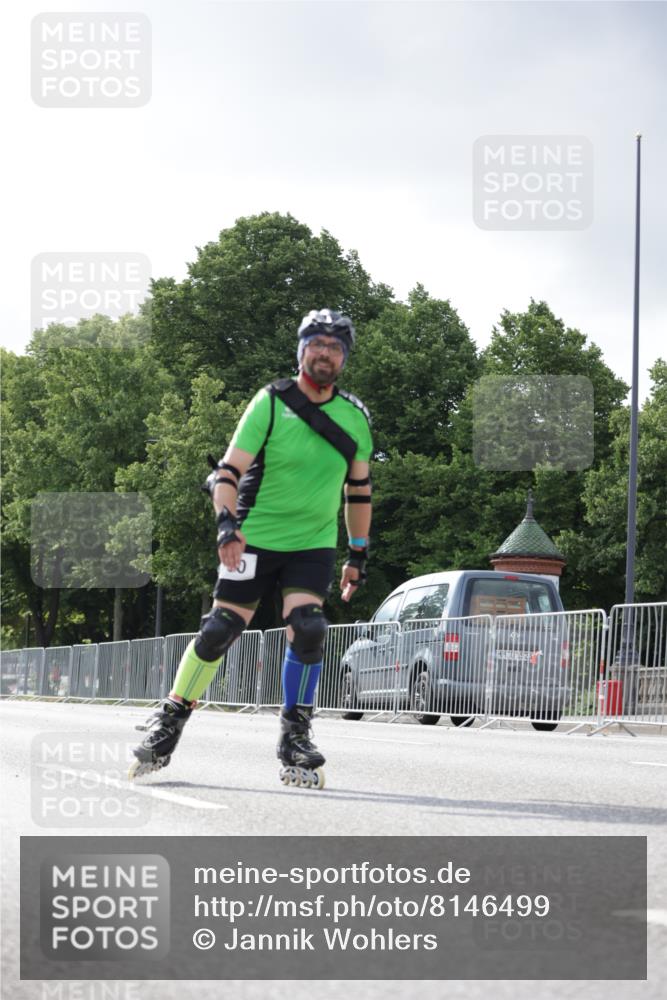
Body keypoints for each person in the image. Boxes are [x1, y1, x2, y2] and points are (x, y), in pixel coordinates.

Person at [130, 309, 373, 789]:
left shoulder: (355, 417)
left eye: (335, 346)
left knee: (309, 627)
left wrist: (358, 554)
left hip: (312, 545)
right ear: (301, 350)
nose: (325, 353)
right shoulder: (271, 402)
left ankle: (295, 735)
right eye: (316, 343)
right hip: (254, 538)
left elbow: (359, 491)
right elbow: (228, 473)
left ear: (344, 357)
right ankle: (171, 719)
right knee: (220, 629)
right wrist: (227, 526)